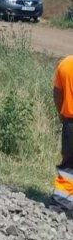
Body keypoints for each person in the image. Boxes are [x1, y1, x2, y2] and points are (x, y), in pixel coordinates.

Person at [53, 56, 73, 209]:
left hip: (69, 122)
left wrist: (62, 114)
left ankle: (62, 202)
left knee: (68, 162)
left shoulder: (65, 64)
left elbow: (57, 93)